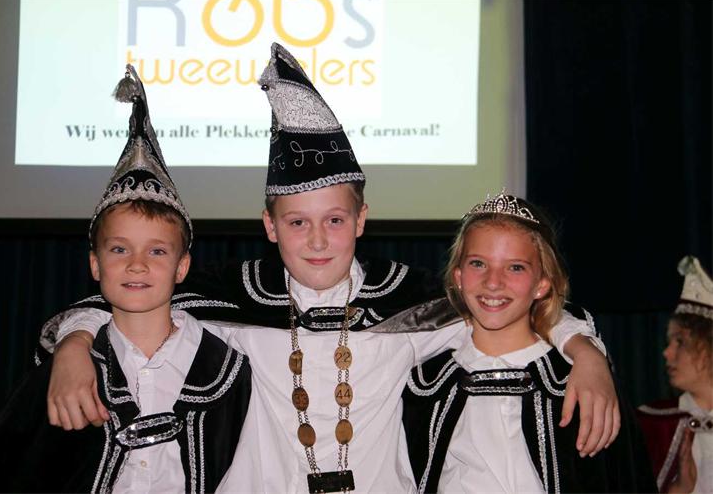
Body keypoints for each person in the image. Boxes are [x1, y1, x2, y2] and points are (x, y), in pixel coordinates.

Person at [39, 44, 620, 493]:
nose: (317, 240)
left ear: (361, 219)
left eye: (335, 220)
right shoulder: (234, 298)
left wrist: (587, 354)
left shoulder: (409, 303)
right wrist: (73, 345)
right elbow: (128, 295)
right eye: (297, 222)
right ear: (269, 227)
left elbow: (515, 304)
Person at [0, 65, 251, 493]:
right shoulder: (64, 372)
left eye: (157, 251)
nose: (137, 264)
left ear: (182, 267)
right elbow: (7, 468)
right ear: (95, 265)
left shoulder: (226, 367)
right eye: (119, 249)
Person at [402, 192, 656, 493]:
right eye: (478, 263)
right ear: (458, 277)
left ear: (542, 284)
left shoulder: (579, 382)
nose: (493, 282)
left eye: (515, 267)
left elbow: (623, 478)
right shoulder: (426, 384)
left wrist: (587, 354)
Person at [638, 256, 713, 493]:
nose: (666, 352)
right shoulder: (652, 425)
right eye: (669, 342)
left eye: (680, 342)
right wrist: (678, 490)